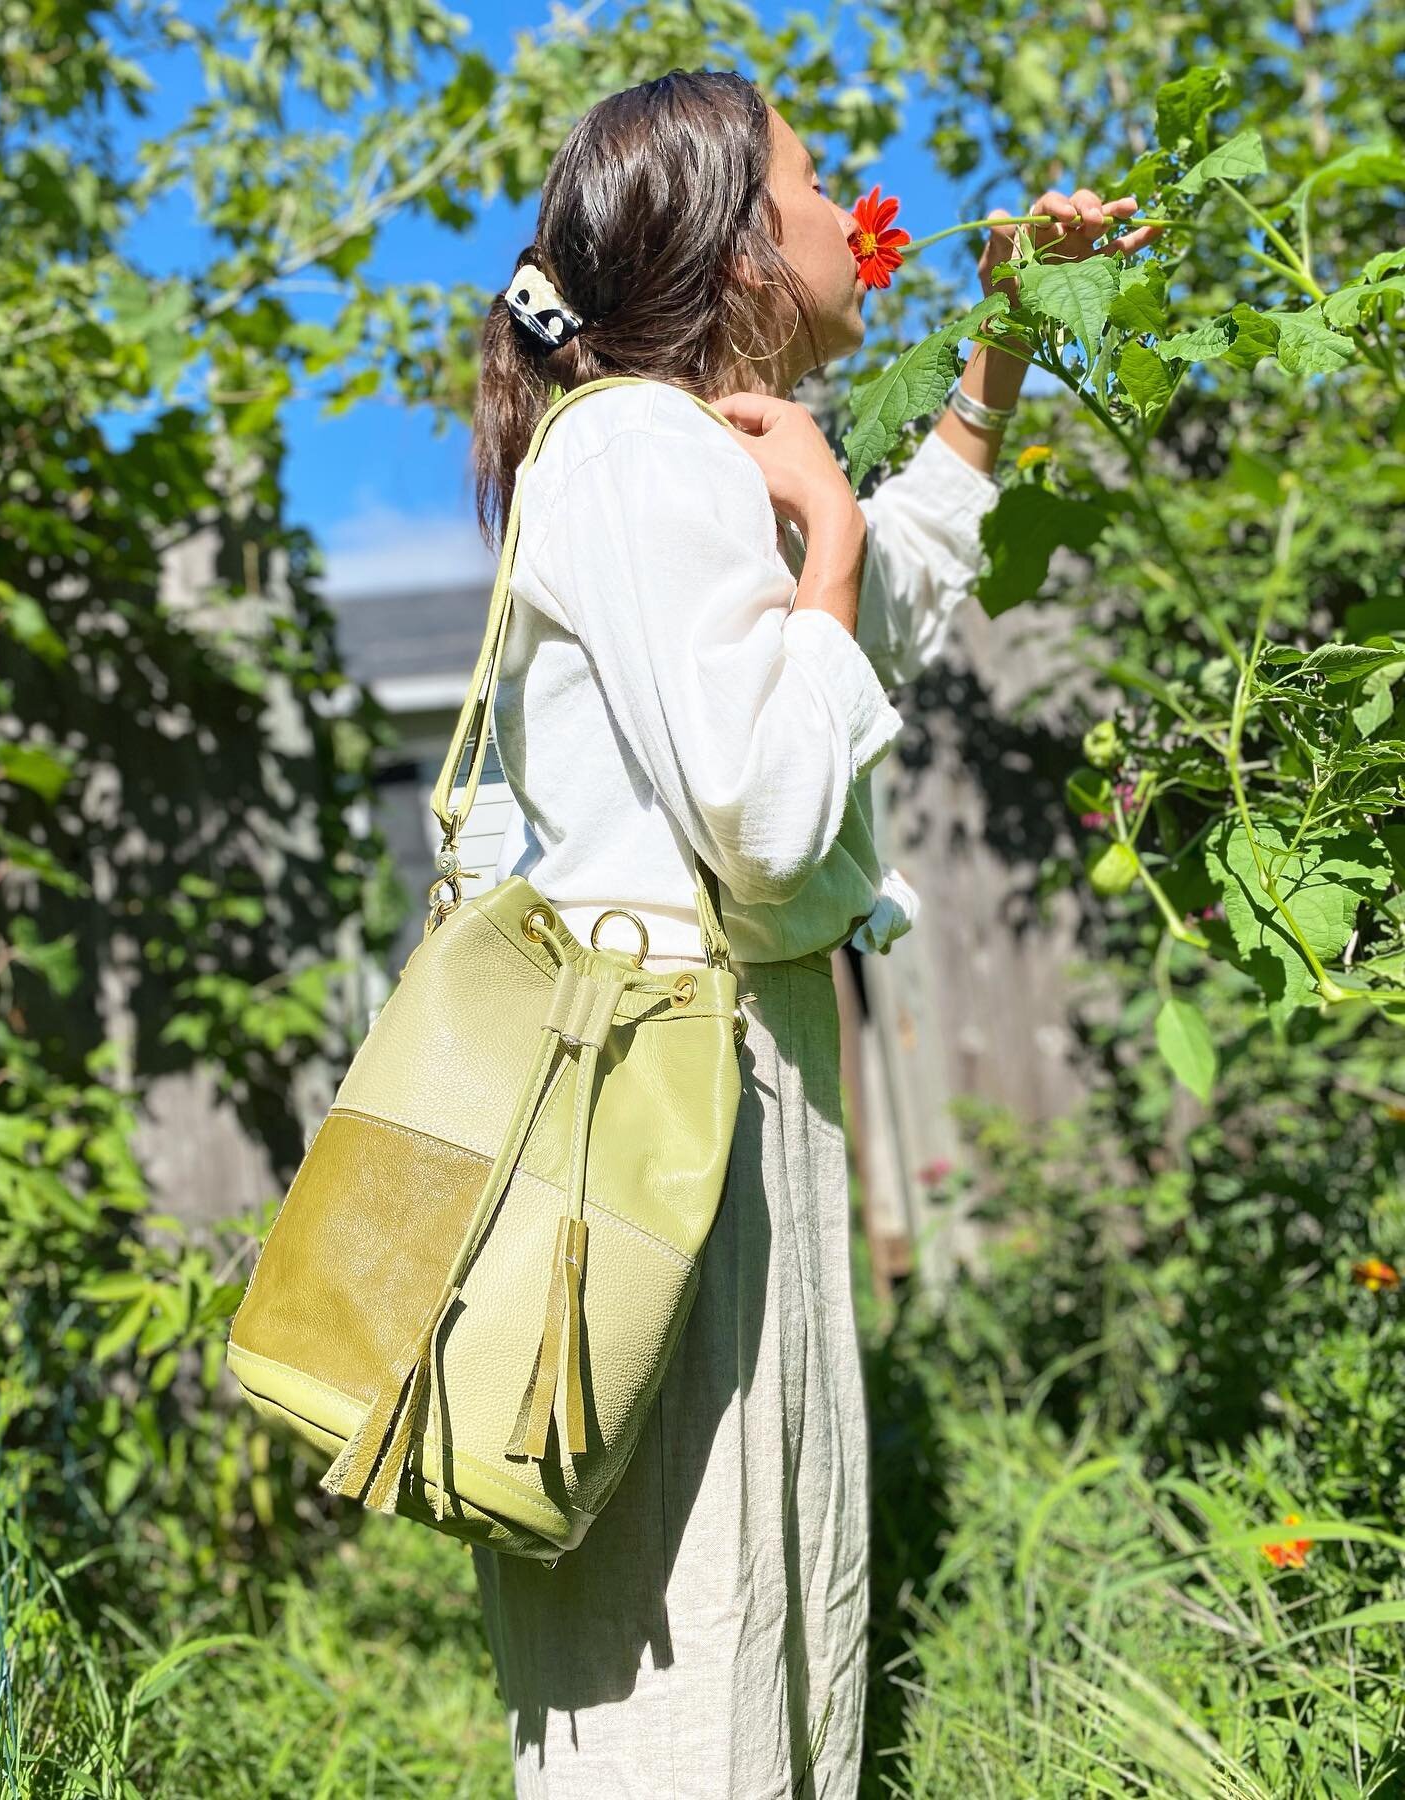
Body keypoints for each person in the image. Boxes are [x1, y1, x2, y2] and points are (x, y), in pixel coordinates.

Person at [465, 66, 1158, 1799]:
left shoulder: (691, 457)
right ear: (737, 245)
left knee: (764, 1628)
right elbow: (771, 830)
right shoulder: (633, 448)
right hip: (655, 1117)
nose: (854, 198)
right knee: (689, 1679)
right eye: (812, 173)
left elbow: (876, 626)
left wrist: (993, 350)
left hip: (714, 1092)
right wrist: (832, 540)